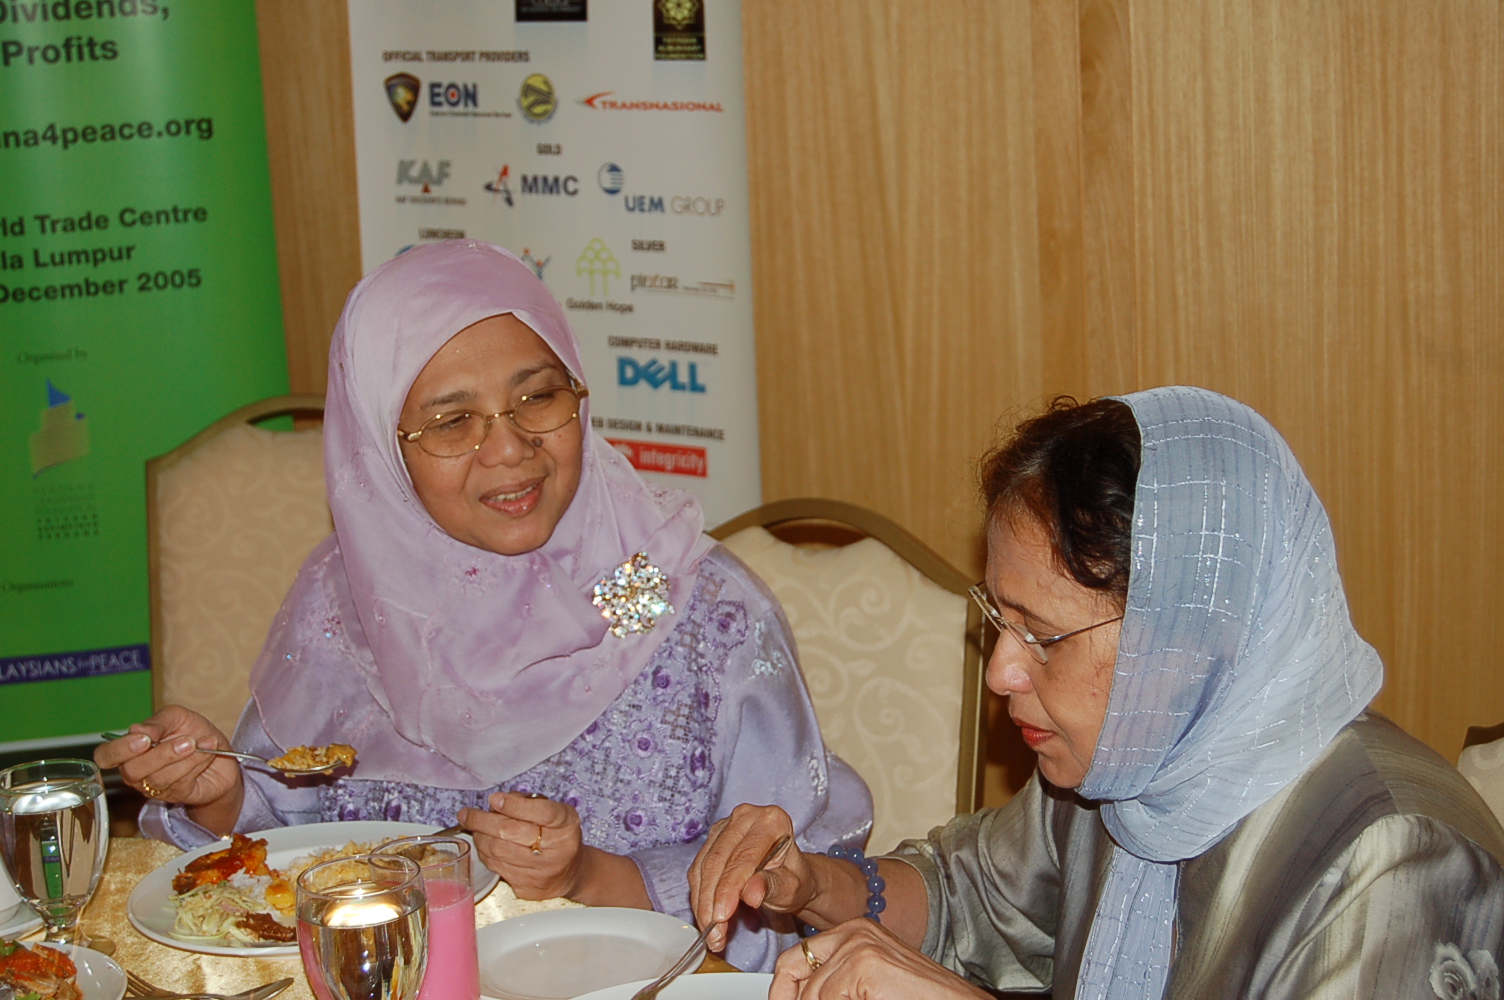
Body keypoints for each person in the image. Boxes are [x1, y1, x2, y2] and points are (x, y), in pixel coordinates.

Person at [96, 240, 872, 971]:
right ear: (382, 449)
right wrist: (223, 795)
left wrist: (589, 876)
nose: (508, 448)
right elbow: (289, 857)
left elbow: (801, 890)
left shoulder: (690, 607)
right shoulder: (352, 607)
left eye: (539, 397)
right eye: (452, 422)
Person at [689, 386, 1504, 998]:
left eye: (1043, 635)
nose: (1001, 671)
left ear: (1189, 638)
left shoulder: (1397, 864)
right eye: (999, 619)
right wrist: (814, 884)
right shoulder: (1129, 762)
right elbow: (971, 899)